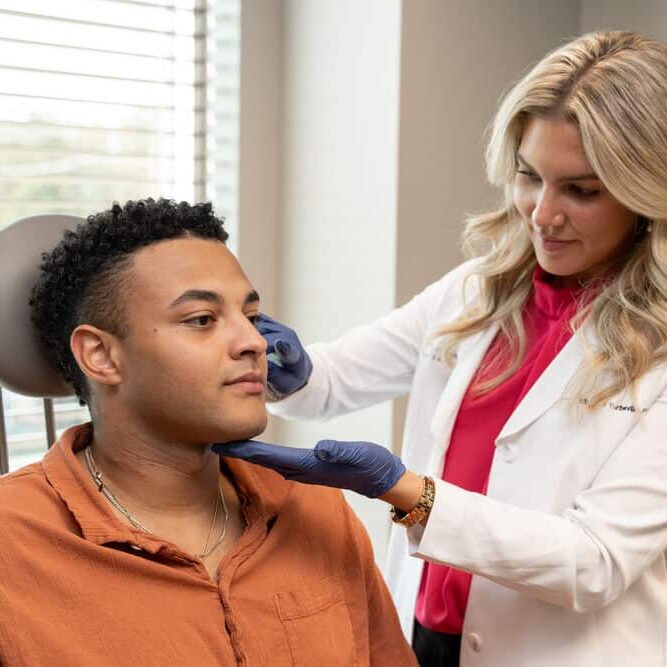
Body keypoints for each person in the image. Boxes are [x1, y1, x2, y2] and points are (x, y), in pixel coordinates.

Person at [219, 31, 667, 666]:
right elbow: (331, 382)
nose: (541, 214)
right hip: (426, 633)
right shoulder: (478, 290)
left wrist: (408, 491)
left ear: (646, 194)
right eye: (528, 176)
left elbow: (592, 564)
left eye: (581, 191)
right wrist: (286, 364)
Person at [0, 198, 417, 666]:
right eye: (202, 320)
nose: (255, 342)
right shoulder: (12, 547)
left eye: (252, 317)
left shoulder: (315, 508)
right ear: (100, 355)